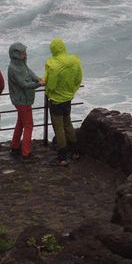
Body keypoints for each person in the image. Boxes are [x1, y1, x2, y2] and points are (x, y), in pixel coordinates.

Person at [41, 37, 82, 167]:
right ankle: (76, 151)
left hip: (56, 101)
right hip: (68, 99)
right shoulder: (74, 61)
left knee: (59, 129)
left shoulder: (52, 64)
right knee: (68, 124)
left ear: (53, 49)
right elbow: (78, 79)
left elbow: (50, 85)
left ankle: (62, 157)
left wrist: (47, 89)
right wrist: (71, 91)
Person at [6, 42, 38, 161]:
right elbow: (24, 84)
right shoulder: (14, 68)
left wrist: (37, 79)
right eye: (23, 53)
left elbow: (29, 72)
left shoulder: (21, 64)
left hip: (24, 100)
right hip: (21, 100)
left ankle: (15, 146)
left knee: (21, 123)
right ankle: (26, 153)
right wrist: (38, 84)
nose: (25, 55)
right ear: (16, 55)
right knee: (29, 125)